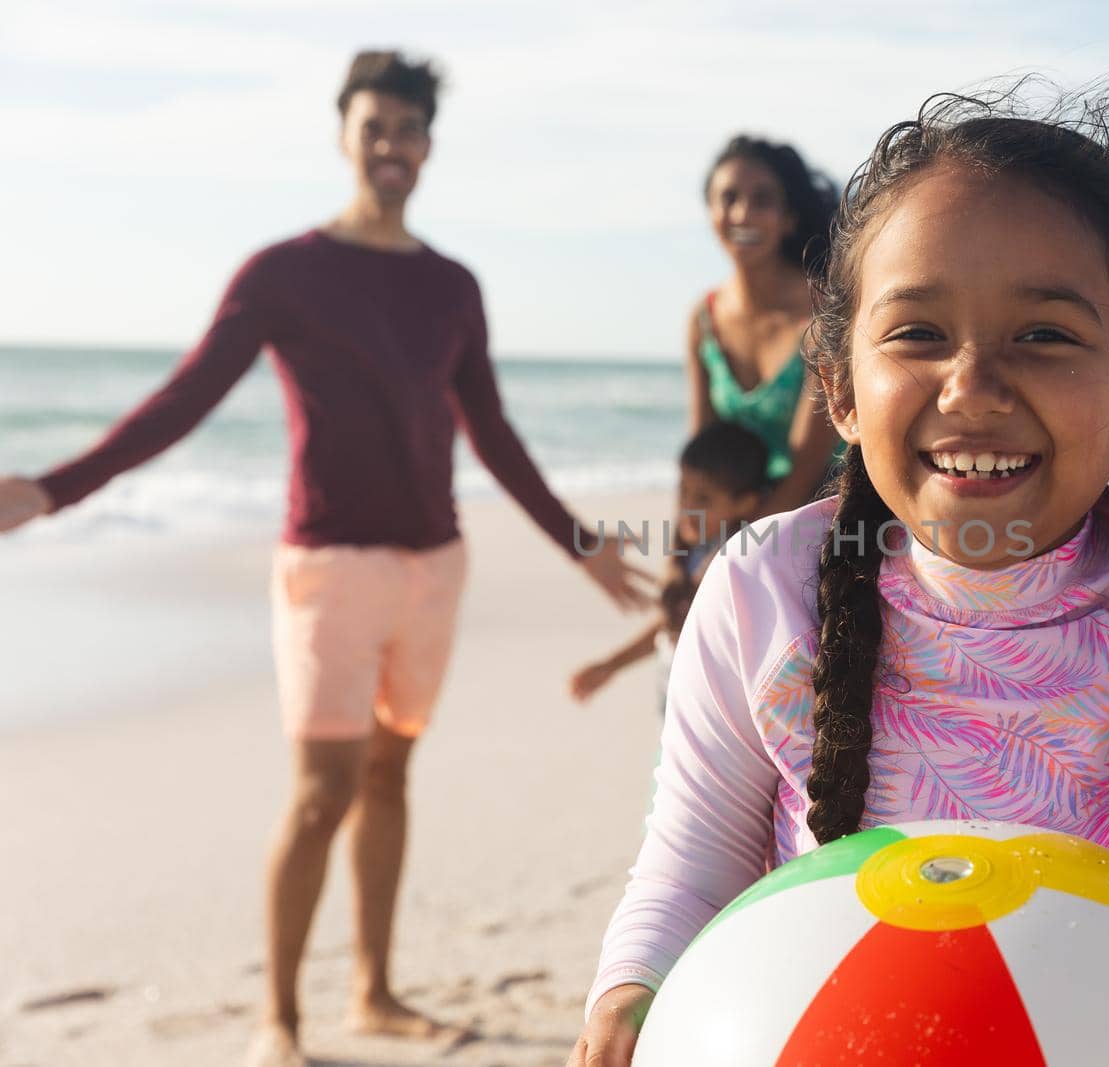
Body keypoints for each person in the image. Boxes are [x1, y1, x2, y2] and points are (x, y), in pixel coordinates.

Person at [570, 83, 1109, 1067]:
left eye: (1043, 334)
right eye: (916, 332)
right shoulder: (762, 591)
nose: (971, 387)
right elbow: (689, 875)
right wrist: (628, 998)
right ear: (837, 386)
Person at [0, 50, 652, 1067]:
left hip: (434, 563)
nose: (393, 146)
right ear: (344, 133)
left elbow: (491, 431)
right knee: (319, 792)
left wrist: (581, 545)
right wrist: (55, 487)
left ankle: (375, 992)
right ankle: (282, 1021)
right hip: (328, 565)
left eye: (410, 129)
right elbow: (184, 399)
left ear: (429, 146)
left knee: (391, 774)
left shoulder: (451, 285)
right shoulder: (283, 273)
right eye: (376, 126)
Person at [688, 136, 843, 516]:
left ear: (788, 217)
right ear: (710, 211)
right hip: (747, 515)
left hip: (835, 513)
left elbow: (805, 468)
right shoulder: (703, 319)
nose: (742, 214)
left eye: (762, 200)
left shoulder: (825, 313)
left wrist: (739, 552)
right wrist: (683, 550)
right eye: (728, 198)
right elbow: (701, 460)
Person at [568, 421, 769, 711]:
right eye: (683, 491)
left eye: (703, 498)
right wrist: (611, 666)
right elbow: (670, 624)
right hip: (673, 692)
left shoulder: (731, 566)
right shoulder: (694, 553)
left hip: (710, 706)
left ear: (746, 503)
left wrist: (611, 664)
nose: (687, 506)